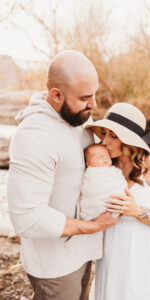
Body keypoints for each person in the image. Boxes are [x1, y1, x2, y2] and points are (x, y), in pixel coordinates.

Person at [7, 50, 120, 300]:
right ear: (56, 95)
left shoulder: (79, 122)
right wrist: (93, 226)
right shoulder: (35, 136)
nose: (94, 104)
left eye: (95, 94)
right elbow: (27, 217)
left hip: (84, 251)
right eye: (85, 97)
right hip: (54, 264)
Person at [85, 102, 150, 300]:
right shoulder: (105, 166)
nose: (104, 142)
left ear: (130, 140)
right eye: (104, 133)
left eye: (113, 136)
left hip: (144, 257)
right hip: (111, 253)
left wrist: (136, 211)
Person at [80, 144, 127, 220]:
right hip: (96, 204)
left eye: (107, 155)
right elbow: (89, 188)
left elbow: (120, 183)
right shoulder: (91, 172)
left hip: (115, 206)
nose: (105, 157)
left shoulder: (114, 171)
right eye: (99, 156)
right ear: (89, 163)